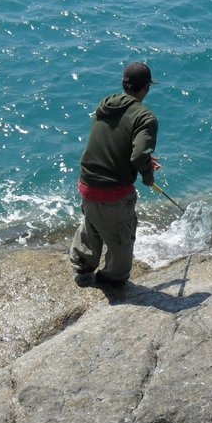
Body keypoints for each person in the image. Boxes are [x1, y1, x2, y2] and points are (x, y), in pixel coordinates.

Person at [69, 61, 160, 285]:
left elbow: (114, 142)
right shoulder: (145, 118)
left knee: (93, 223)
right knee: (121, 238)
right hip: (113, 192)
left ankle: (82, 263)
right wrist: (148, 176)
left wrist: (142, 158)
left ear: (123, 84)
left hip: (87, 183)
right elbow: (138, 157)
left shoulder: (106, 105)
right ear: (147, 87)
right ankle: (110, 277)